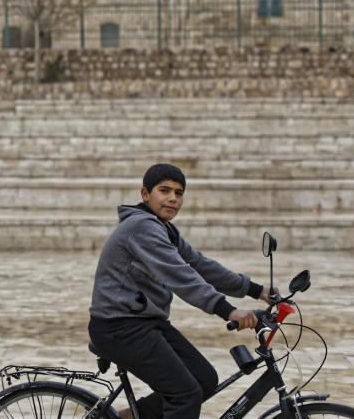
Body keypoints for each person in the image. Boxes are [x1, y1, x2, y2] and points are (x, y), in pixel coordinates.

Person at [88, 163, 273, 419]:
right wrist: (227, 310)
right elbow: (181, 275)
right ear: (145, 194)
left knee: (204, 380)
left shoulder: (164, 228)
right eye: (164, 190)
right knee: (184, 395)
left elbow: (198, 264)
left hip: (144, 323)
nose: (173, 198)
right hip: (119, 327)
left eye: (179, 192)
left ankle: (126, 418)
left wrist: (256, 289)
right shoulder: (141, 227)